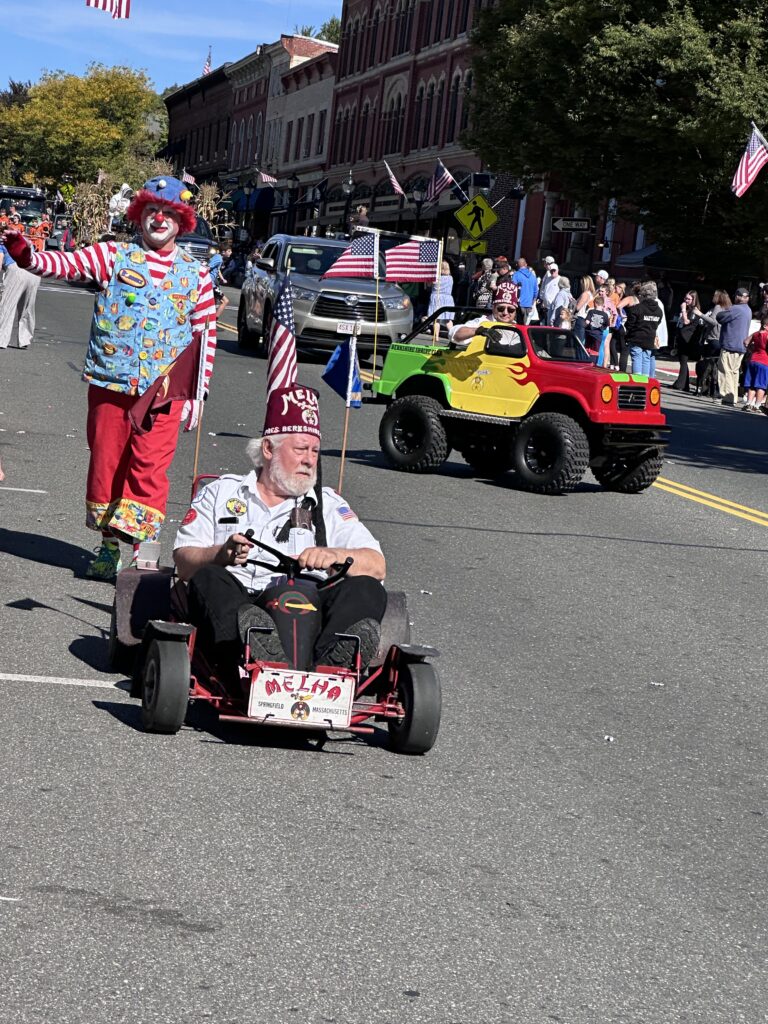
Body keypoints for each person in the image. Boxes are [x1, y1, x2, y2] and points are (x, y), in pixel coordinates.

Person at [1, 175, 218, 579]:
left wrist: (197, 394)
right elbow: (62, 265)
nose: (159, 219)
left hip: (165, 393)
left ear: (182, 220)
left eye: (168, 213)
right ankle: (108, 546)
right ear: (140, 215)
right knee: (107, 465)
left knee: (150, 468)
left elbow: (205, 335)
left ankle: (143, 553)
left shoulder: (197, 274)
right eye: (152, 211)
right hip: (111, 384)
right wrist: (27, 255)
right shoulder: (113, 256)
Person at [174, 383, 387, 677]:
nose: (310, 459)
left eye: (314, 450)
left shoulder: (327, 504)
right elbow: (183, 563)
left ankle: (331, 667)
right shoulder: (221, 493)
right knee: (208, 577)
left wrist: (333, 554)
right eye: (300, 449)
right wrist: (220, 554)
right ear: (268, 448)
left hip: (311, 609)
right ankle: (256, 651)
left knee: (367, 587)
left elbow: (377, 565)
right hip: (243, 604)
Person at [0, 242, 40, 350]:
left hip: (16, 270)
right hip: (34, 272)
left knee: (7, 305)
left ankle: (1, 339)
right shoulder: (24, 241)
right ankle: (25, 339)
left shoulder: (2, 245)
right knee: (27, 308)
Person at [716, 287, 752, 406]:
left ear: (737, 297)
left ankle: (727, 396)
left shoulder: (736, 309)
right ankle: (733, 396)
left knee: (725, 370)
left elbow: (720, 317)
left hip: (731, 345)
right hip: (741, 346)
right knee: (734, 372)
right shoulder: (748, 310)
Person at [693, 290, 729, 398]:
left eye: (714, 295)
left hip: (713, 338)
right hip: (721, 339)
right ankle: (712, 390)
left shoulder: (718, 307)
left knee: (706, 365)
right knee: (716, 366)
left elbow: (713, 321)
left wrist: (700, 314)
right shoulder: (727, 308)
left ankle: (703, 389)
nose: (712, 296)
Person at [624, 280, 663, 376]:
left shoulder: (637, 308)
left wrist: (629, 334)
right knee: (646, 359)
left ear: (643, 295)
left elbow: (629, 324)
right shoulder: (658, 310)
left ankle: (638, 382)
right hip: (650, 337)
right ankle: (645, 382)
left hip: (636, 337)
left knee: (637, 358)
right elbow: (658, 323)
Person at [448, 295, 518, 348]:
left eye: (510, 310)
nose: (505, 313)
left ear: (515, 312)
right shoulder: (483, 322)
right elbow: (454, 334)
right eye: (501, 308)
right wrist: (479, 330)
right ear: (493, 308)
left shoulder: (519, 328)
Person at [671, 290, 705, 392]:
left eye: (689, 299)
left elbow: (686, 322)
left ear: (694, 300)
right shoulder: (688, 309)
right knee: (682, 361)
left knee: (683, 360)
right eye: (685, 298)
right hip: (682, 336)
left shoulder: (694, 310)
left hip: (688, 338)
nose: (686, 301)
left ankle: (681, 384)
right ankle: (683, 383)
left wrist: (683, 310)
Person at [742, 315, 768, 411]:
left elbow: (745, 342)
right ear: (765, 326)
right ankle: (757, 406)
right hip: (764, 362)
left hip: (753, 360)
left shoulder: (755, 334)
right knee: (761, 385)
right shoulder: (767, 334)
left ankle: (748, 404)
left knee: (752, 384)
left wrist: (752, 349)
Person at [427, 260, 455, 332]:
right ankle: (452, 335)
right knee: (448, 320)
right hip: (448, 299)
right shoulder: (450, 278)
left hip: (437, 297)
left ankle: (436, 336)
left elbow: (428, 285)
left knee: (437, 319)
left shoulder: (435, 278)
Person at [583, 294, 611, 364]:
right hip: (598, 335)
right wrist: (601, 328)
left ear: (595, 303)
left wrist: (583, 325)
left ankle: (586, 362)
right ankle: (593, 363)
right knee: (595, 351)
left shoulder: (591, 311)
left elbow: (587, 322)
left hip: (589, 333)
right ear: (602, 304)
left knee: (587, 349)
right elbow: (607, 324)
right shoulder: (605, 314)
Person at [512, 257, 538, 324]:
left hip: (518, 304)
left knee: (516, 325)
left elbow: (512, 289)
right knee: (524, 325)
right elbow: (536, 292)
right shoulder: (533, 276)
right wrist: (532, 303)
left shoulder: (516, 275)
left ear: (517, 265)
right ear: (525, 264)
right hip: (529, 304)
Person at [208, 244, 229, 319]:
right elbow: (208, 267)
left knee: (213, 301)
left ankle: (209, 318)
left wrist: (222, 279)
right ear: (223, 252)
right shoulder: (219, 259)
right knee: (225, 301)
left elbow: (218, 270)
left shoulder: (219, 258)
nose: (230, 253)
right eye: (229, 251)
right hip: (211, 284)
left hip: (211, 283)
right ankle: (214, 319)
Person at [573, 275, 595, 343]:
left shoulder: (585, 294)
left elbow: (578, 307)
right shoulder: (591, 294)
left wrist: (573, 302)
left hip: (580, 318)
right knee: (582, 341)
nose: (581, 285)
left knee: (578, 342)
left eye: (582, 283)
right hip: (586, 319)